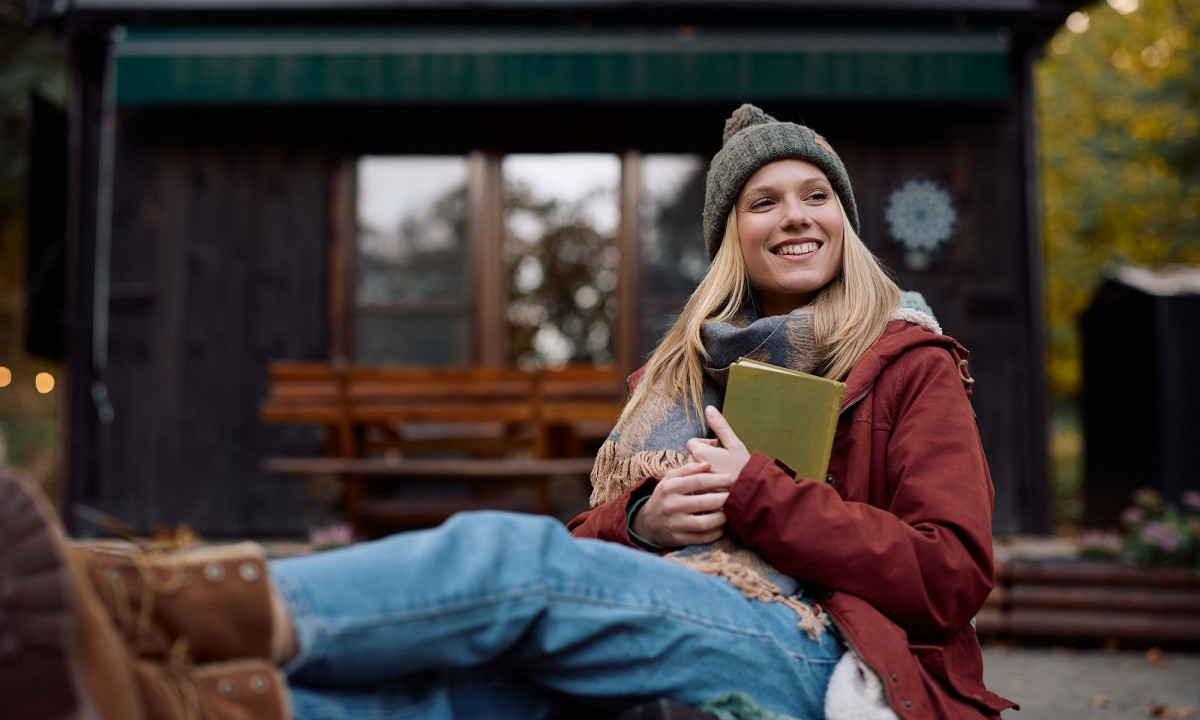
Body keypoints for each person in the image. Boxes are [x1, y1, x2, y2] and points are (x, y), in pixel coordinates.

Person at [1, 104, 1016, 720]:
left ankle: (134, 603)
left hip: (829, 662)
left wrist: (759, 494)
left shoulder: (905, 363)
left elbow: (951, 575)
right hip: (686, 618)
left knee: (508, 562)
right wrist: (644, 521)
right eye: (763, 202)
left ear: (843, 216)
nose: (794, 215)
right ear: (731, 241)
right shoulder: (679, 377)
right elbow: (595, 547)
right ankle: (150, 703)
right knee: (474, 693)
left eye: (815, 195)